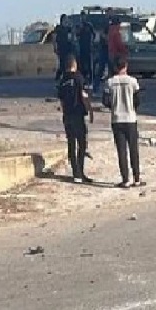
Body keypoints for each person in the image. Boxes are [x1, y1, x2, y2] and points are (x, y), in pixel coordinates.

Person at [106, 55, 144, 189]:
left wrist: (113, 106)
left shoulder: (110, 82)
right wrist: (132, 108)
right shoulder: (133, 81)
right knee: (133, 149)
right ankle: (137, 178)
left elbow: (105, 101)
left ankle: (125, 179)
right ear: (126, 66)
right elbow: (137, 100)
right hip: (130, 118)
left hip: (117, 119)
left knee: (121, 151)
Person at [57, 54, 94, 184]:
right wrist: (90, 111)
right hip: (78, 115)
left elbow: (61, 101)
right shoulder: (79, 78)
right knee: (82, 144)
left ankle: (75, 174)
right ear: (75, 64)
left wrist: (65, 113)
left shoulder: (62, 80)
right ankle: (80, 172)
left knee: (71, 144)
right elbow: (84, 96)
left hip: (67, 116)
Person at [93, 8, 114, 93]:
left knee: (111, 69)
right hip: (104, 48)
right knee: (101, 69)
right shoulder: (104, 22)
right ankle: (95, 89)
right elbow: (101, 33)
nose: (111, 14)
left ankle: (111, 89)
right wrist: (108, 39)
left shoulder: (112, 22)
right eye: (110, 12)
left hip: (110, 48)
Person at [53, 14, 74, 82]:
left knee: (66, 63)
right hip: (61, 48)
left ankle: (64, 77)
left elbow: (70, 38)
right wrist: (55, 47)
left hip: (67, 48)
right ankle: (59, 76)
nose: (66, 20)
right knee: (62, 63)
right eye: (65, 19)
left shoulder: (68, 28)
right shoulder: (58, 28)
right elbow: (54, 37)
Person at [77, 12, 95, 87]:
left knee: (89, 64)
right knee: (81, 65)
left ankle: (91, 80)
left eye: (84, 16)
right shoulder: (78, 25)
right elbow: (76, 35)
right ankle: (82, 80)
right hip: (81, 48)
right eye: (81, 17)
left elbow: (93, 34)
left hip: (88, 48)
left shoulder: (89, 25)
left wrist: (92, 42)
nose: (83, 18)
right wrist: (80, 29)